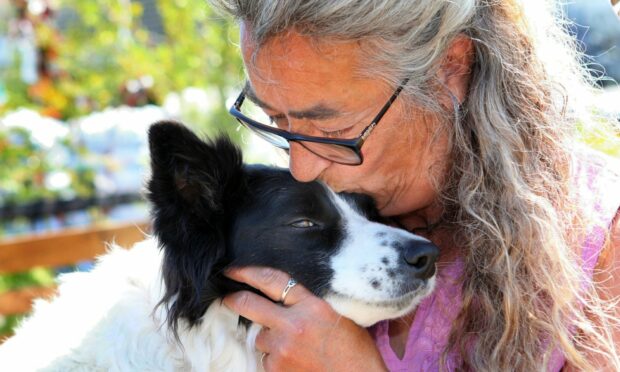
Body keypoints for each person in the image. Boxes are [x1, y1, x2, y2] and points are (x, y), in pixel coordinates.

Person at [208, 0, 620, 370]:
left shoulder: (601, 242)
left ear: (449, 69)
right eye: (279, 121)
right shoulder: (308, 224)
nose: (300, 168)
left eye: (334, 129)